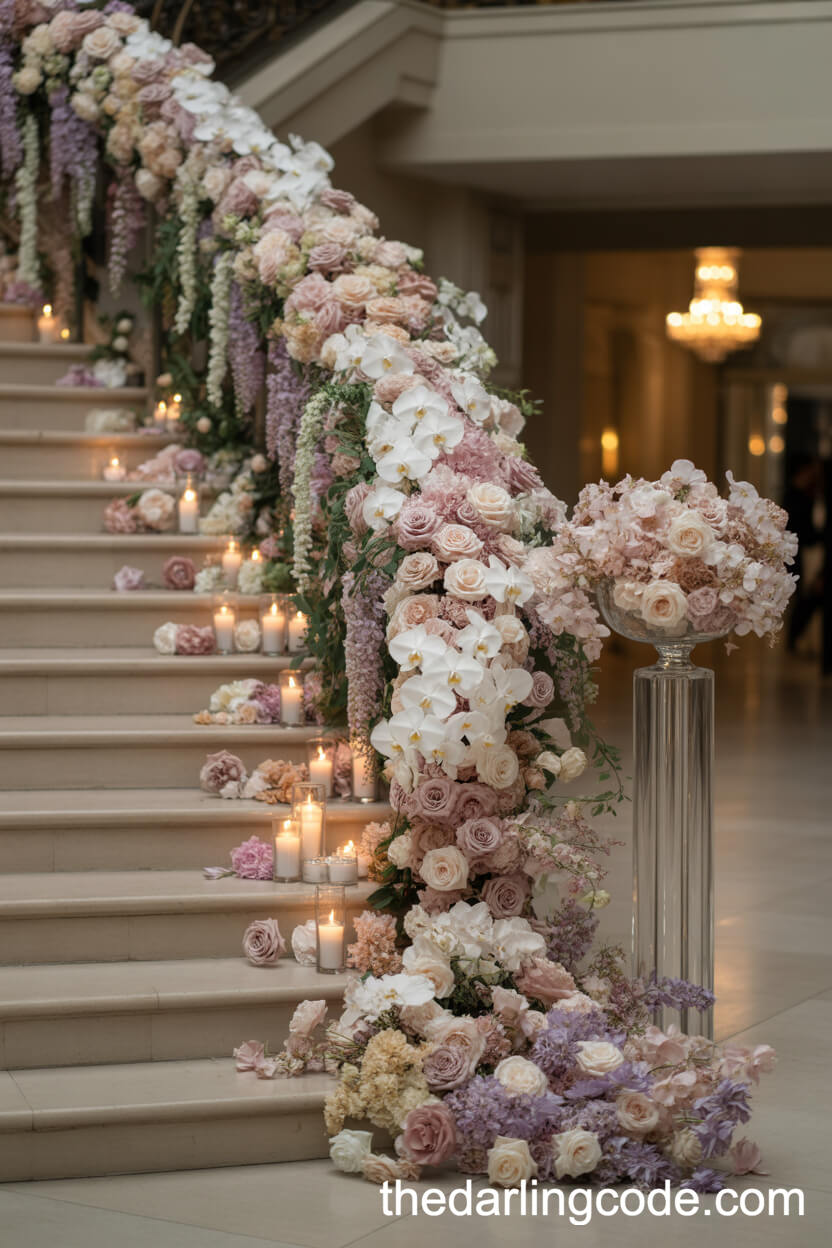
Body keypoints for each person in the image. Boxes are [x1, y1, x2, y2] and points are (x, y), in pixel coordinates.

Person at [783, 455, 824, 652]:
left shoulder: (809, 494)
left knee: (807, 598)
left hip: (806, 552)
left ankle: (797, 638)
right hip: (800, 553)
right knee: (805, 597)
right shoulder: (794, 496)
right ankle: (795, 639)